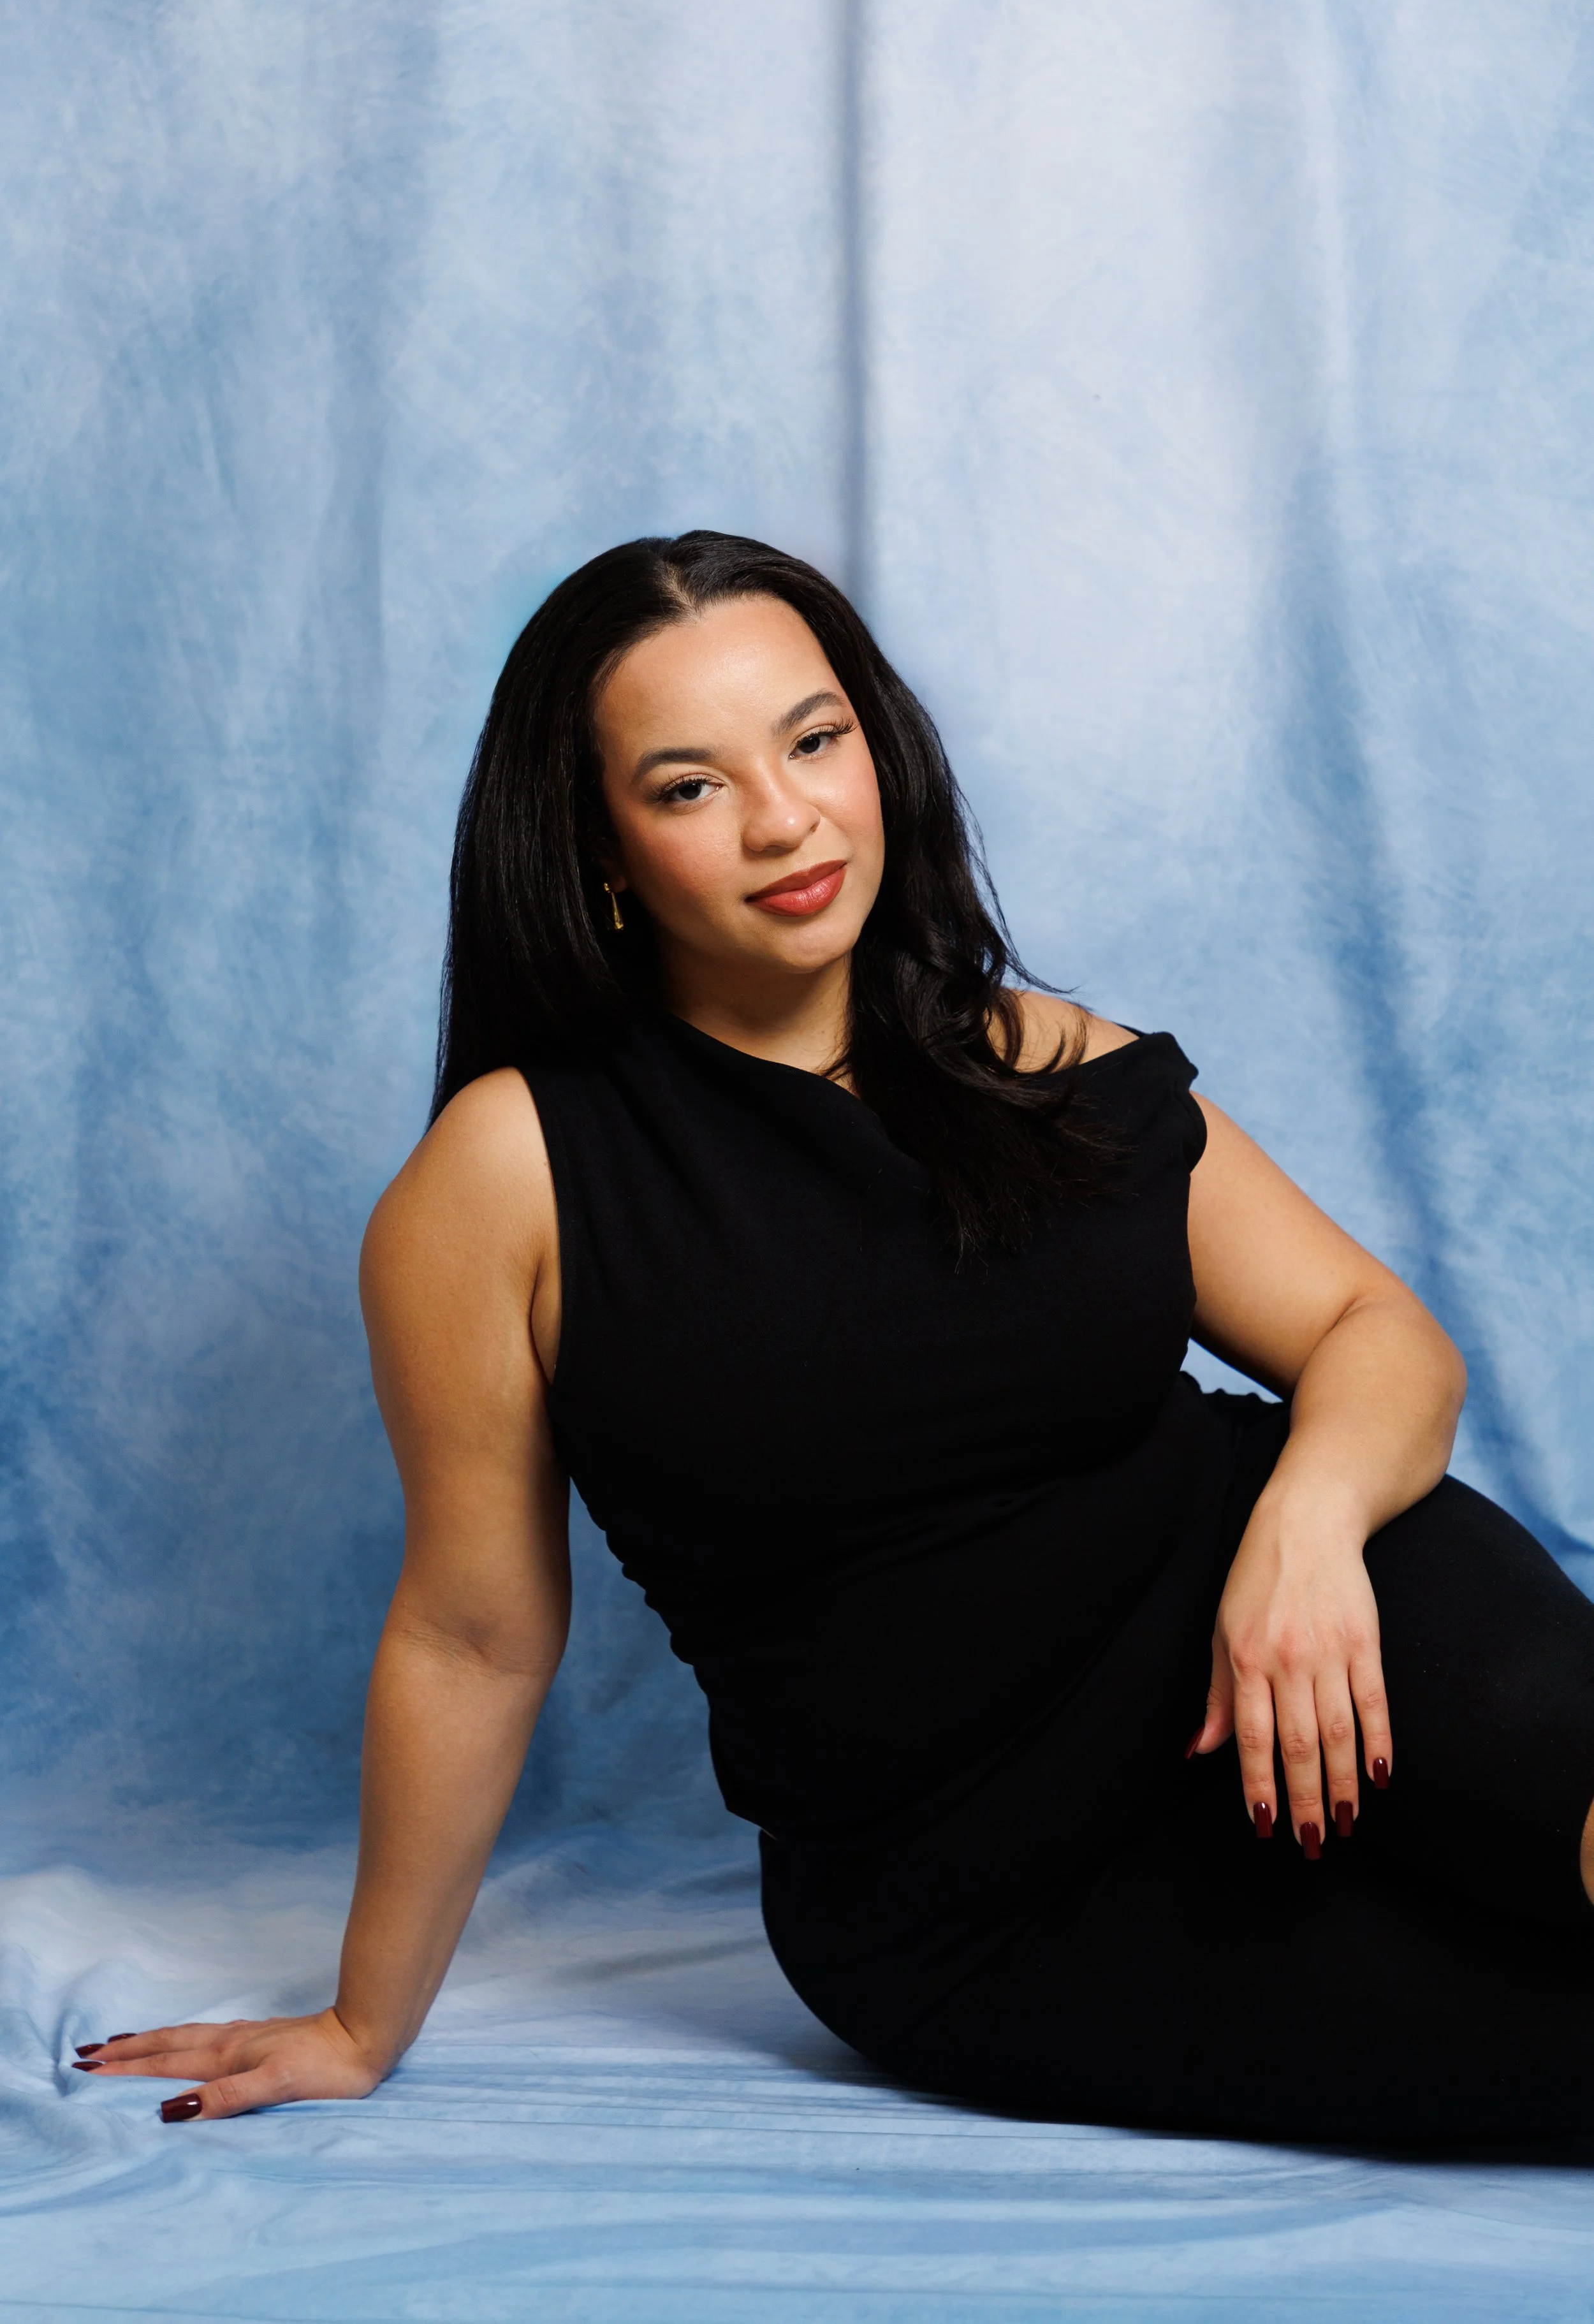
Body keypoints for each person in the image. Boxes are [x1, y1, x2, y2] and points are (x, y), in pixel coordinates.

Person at [77, 533, 1594, 2141]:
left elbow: (1378, 1329)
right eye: (687, 785)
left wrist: (1303, 1529)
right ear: (596, 845)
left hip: (1303, 1637)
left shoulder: (1045, 1056)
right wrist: (362, 2020)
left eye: (813, 740)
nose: (785, 818)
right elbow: (473, 1633)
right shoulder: (503, 1181)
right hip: (973, 1885)